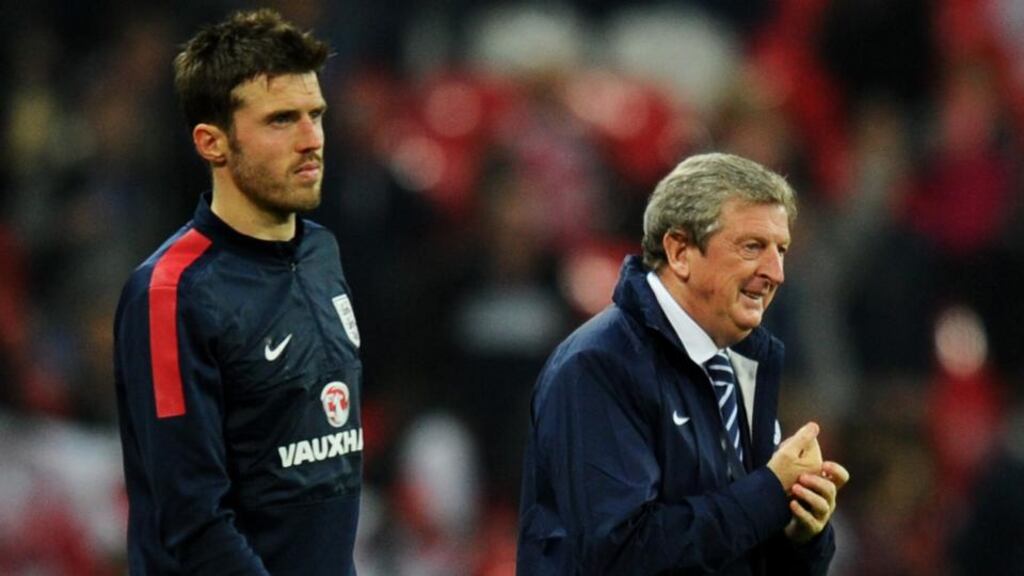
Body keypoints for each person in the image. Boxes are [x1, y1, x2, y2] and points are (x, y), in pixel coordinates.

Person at [113, 10, 363, 575]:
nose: (311, 140)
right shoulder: (171, 292)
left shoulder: (322, 253)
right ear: (212, 143)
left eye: (315, 114)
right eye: (281, 120)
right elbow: (193, 522)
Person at [517, 152, 850, 575]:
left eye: (781, 249)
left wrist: (798, 537)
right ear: (679, 251)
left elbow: (735, 549)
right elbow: (620, 556)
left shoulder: (741, 366)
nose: (776, 271)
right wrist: (766, 493)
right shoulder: (599, 366)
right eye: (753, 247)